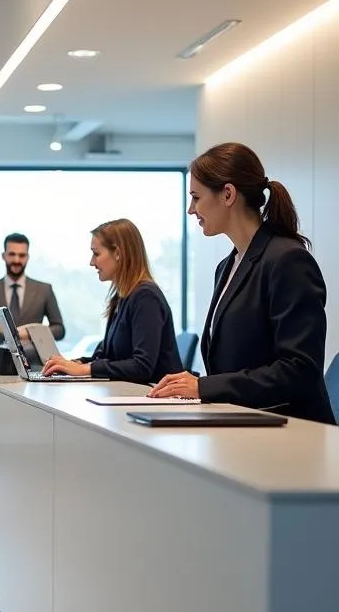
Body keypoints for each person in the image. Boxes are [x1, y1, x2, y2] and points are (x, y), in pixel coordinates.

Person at [150, 143, 334, 424]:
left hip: (291, 434)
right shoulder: (226, 267)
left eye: (196, 197)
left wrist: (204, 387)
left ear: (227, 194)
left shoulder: (288, 260)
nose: (190, 209)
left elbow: (299, 370)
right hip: (243, 426)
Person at [42, 219, 182, 383]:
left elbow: (142, 367)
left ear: (117, 253)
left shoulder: (146, 297)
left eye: (96, 253)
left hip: (158, 398)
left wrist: (85, 369)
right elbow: (108, 356)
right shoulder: (122, 297)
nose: (92, 262)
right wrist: (74, 364)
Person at [0, 233, 65, 352]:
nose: (17, 260)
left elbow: (59, 330)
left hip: (33, 361)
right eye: (12, 254)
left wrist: (32, 333)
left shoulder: (44, 290)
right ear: (4, 256)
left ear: (27, 257)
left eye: (21, 255)